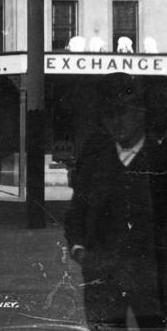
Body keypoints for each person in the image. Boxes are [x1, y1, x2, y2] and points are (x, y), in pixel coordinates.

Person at [65, 72, 167, 329]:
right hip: (103, 282)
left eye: (124, 113)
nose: (116, 122)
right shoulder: (95, 160)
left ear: (141, 113)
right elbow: (77, 212)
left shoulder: (160, 159)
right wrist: (80, 251)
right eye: (109, 115)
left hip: (153, 284)